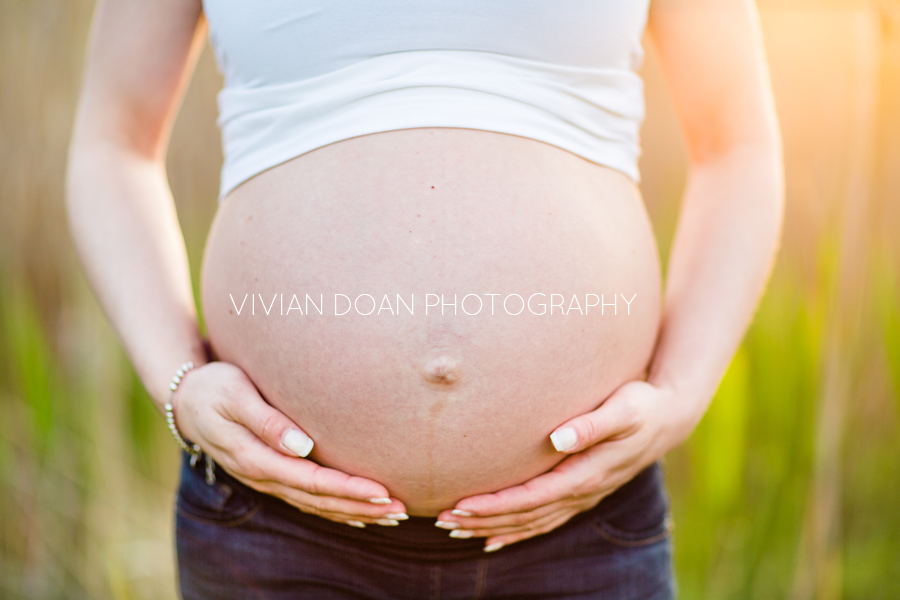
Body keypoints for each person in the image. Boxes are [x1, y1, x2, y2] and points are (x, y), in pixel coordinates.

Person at [66, 0, 783, 598]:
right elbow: (114, 145)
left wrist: (682, 395)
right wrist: (180, 386)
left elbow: (737, 147)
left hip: (579, 532)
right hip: (274, 530)